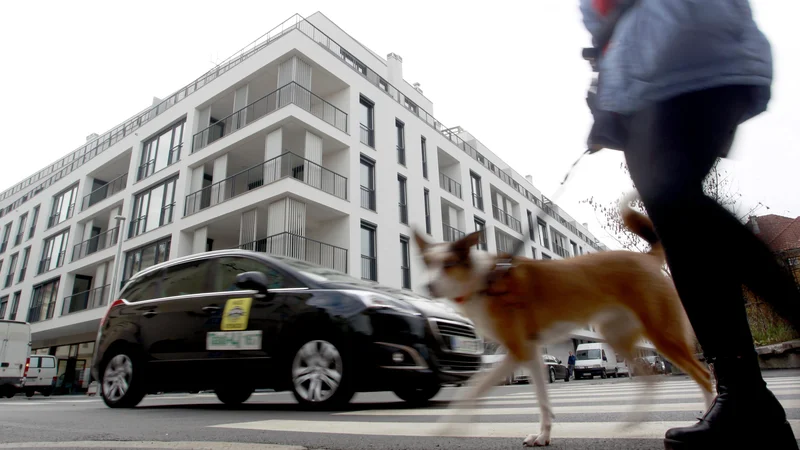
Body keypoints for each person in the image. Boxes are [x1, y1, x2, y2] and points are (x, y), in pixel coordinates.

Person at [579, 1, 800, 448]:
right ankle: (744, 397)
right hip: (645, 83)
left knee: (673, 200)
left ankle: (751, 389)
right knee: (681, 232)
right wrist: (610, 88)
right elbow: (603, 25)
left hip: (688, 57)